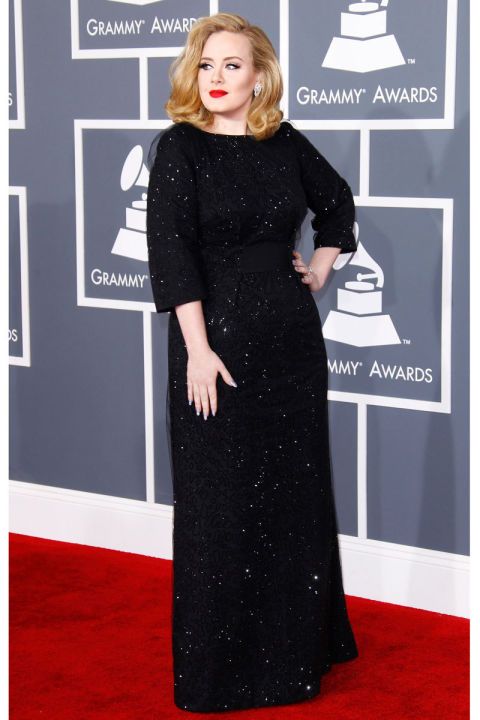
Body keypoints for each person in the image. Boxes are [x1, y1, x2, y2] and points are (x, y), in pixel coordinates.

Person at [146, 12, 359, 713]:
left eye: (232, 65)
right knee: (220, 506)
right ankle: (222, 673)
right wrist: (199, 352)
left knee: (292, 500)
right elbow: (173, 255)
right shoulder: (180, 149)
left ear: (259, 75)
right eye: (206, 65)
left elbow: (337, 206)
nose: (216, 78)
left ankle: (298, 655)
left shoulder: (284, 141)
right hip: (217, 348)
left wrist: (321, 267)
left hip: (291, 349)